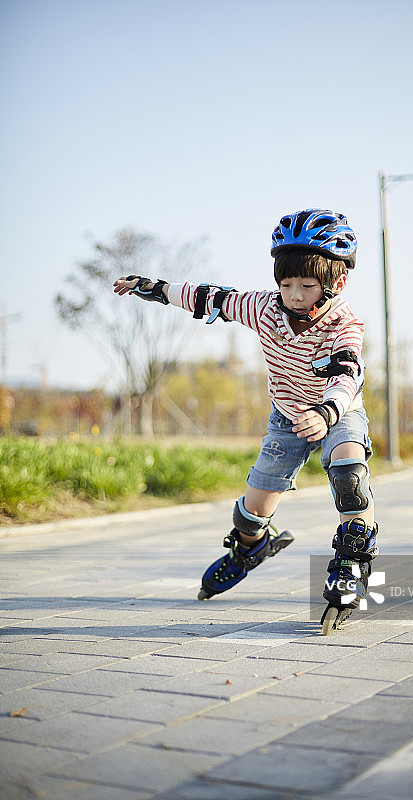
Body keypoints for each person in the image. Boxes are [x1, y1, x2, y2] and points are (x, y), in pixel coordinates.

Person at [113, 209, 378, 634]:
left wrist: (326, 412)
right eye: (286, 284)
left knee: (349, 472)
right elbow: (210, 297)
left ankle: (352, 562)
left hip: (338, 413)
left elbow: (349, 373)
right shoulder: (265, 308)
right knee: (252, 514)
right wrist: (157, 288)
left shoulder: (345, 323)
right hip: (286, 419)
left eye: (306, 286)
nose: (293, 294)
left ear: (337, 282)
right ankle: (248, 549)